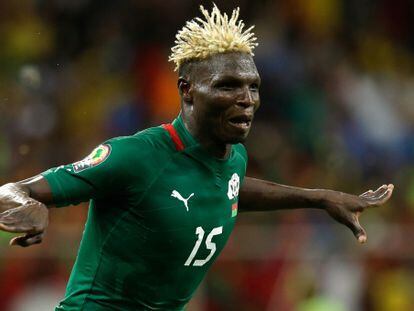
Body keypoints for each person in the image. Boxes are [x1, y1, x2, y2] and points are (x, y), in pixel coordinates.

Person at [0, 4, 393, 311]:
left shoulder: (234, 158)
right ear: (187, 90)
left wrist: (319, 198)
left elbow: (227, 188)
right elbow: (10, 190)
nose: (246, 100)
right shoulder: (135, 156)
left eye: (252, 87)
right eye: (227, 86)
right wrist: (26, 205)